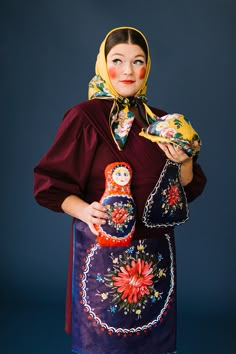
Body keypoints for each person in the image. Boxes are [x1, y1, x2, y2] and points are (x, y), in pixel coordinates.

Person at [33, 26, 207, 354]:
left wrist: (183, 161)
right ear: (103, 64)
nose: (128, 71)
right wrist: (84, 210)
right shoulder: (84, 118)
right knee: (103, 346)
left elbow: (186, 190)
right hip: (103, 252)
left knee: (152, 345)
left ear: (147, 67)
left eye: (137, 61)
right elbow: (49, 185)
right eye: (118, 60)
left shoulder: (163, 122)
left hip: (154, 259)